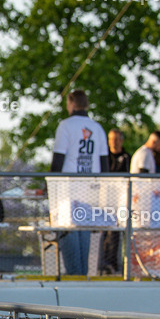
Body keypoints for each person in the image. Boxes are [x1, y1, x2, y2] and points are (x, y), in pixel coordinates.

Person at [50, 89, 109, 275]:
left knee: (68, 230)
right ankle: (82, 277)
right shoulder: (98, 128)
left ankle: (73, 276)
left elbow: (58, 160)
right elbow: (104, 163)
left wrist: (50, 187)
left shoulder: (66, 126)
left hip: (68, 188)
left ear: (72, 104)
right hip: (90, 188)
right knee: (84, 234)